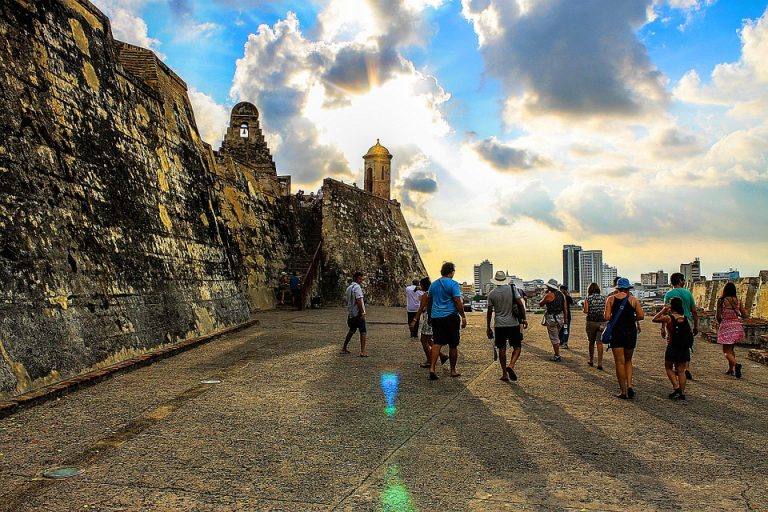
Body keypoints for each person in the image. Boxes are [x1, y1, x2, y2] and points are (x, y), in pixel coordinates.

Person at [604, 277, 645, 399]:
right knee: (628, 360)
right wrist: (630, 319)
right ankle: (630, 385)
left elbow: (606, 317)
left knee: (619, 362)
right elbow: (641, 316)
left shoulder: (610, 299)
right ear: (628, 288)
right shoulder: (633, 300)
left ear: (617, 288)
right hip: (630, 332)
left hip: (617, 332)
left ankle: (623, 391)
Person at [427, 262, 467, 380]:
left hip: (436, 317)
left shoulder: (433, 284)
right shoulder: (453, 284)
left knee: (437, 343)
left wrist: (430, 317)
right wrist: (463, 316)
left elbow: (429, 302)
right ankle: (453, 370)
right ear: (451, 272)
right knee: (453, 344)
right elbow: (457, 300)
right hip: (450, 316)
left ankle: (432, 368)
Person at [486, 271, 528, 382]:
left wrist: (488, 327)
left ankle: (504, 373)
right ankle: (511, 365)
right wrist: (524, 319)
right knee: (517, 347)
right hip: (513, 323)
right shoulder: (512, 289)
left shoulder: (492, 294)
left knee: (502, 348)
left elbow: (489, 312)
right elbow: (520, 304)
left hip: (499, 325)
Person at [653, 298, 693, 400]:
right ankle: (682, 393)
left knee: (668, 367)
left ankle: (676, 387)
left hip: (672, 346)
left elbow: (655, 319)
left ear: (672, 306)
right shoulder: (686, 318)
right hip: (684, 347)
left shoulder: (669, 318)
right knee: (681, 370)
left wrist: (663, 310)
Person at [663, 273, 699, 380]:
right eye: (683, 280)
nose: (684, 282)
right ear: (679, 280)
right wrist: (696, 325)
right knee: (686, 344)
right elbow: (694, 311)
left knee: (672, 343)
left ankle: (675, 366)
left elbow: (666, 311)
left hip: (672, 321)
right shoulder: (687, 293)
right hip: (686, 321)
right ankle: (685, 367)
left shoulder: (669, 294)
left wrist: (663, 327)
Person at [410, 277, 448, 368]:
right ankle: (442, 355)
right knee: (430, 340)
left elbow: (420, 309)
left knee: (424, 340)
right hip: (436, 318)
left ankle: (429, 360)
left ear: (423, 286)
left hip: (428, 319)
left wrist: (414, 320)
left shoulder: (425, 296)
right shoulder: (435, 294)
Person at [716, 282, 748, 378]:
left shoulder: (721, 301)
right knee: (731, 349)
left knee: (726, 351)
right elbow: (745, 315)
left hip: (726, 326)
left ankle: (736, 365)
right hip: (736, 326)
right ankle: (731, 369)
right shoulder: (738, 301)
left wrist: (721, 323)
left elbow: (718, 316)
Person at [539, 279, 567, 361]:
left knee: (554, 337)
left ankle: (557, 355)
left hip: (551, 318)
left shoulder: (549, 295)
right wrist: (565, 319)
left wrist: (544, 295)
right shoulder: (562, 295)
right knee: (556, 335)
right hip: (560, 317)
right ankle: (557, 352)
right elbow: (565, 308)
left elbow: (541, 304)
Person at [341, 272, 368, 357]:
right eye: (360, 279)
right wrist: (363, 312)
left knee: (352, 330)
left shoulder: (349, 288)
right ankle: (362, 351)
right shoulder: (357, 287)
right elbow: (359, 300)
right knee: (363, 331)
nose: (361, 280)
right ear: (356, 278)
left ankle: (344, 348)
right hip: (358, 313)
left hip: (351, 314)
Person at [583, 282, 607, 369]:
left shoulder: (588, 298)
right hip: (602, 322)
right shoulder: (604, 298)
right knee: (599, 343)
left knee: (591, 342)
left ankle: (591, 360)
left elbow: (586, 311)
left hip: (591, 322)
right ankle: (600, 363)